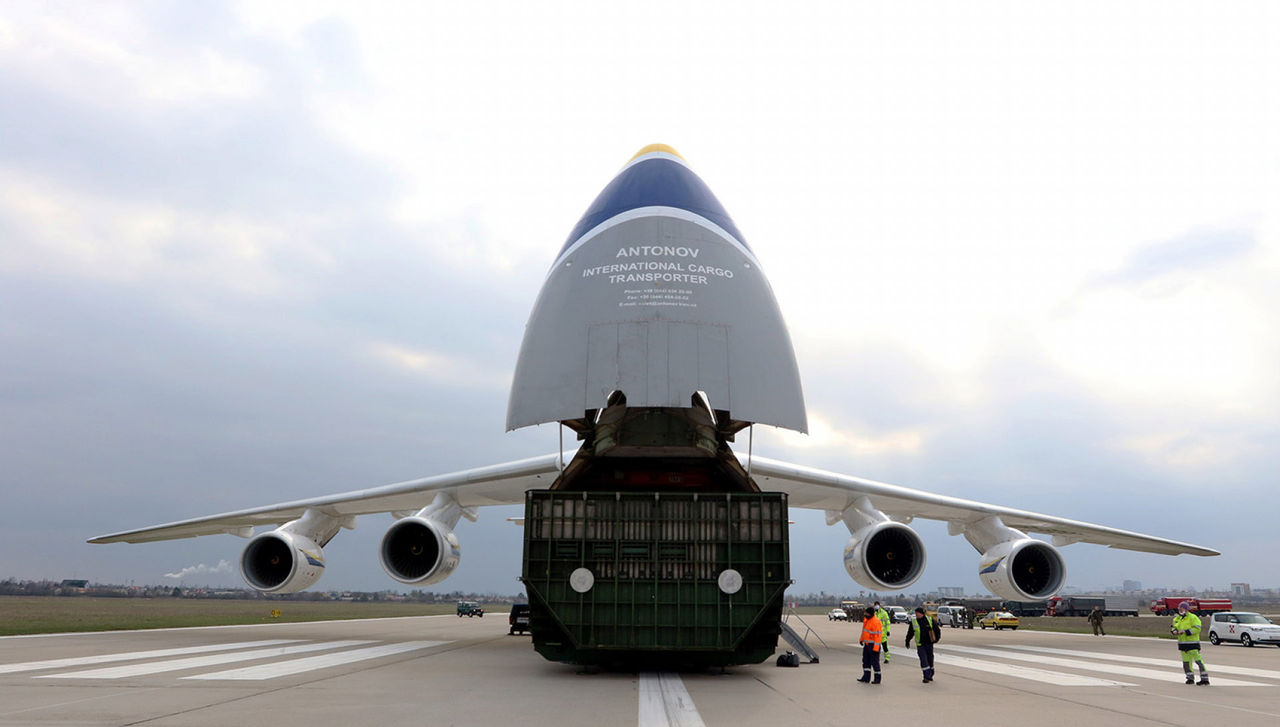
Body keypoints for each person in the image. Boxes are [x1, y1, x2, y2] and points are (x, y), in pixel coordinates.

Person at [1172, 601, 1209, 685]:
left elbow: (1197, 628)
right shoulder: (1177, 619)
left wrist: (1185, 631)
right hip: (1183, 645)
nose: (1179, 610)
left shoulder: (1193, 617)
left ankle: (1204, 679)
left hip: (1192, 644)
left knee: (1198, 661)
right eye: (1179, 608)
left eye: (1181, 608)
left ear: (1186, 609)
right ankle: (1190, 678)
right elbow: (1173, 627)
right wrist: (1174, 631)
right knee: (1186, 663)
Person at [905, 607, 942, 683]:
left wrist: (936, 639)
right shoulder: (914, 622)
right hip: (920, 644)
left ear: (921, 613)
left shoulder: (930, 620)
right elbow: (910, 633)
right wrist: (907, 641)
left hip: (929, 644)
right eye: (915, 613)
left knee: (930, 659)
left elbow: (937, 630)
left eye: (917, 613)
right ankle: (926, 676)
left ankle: (931, 673)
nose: (916, 615)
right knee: (923, 660)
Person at [858, 606, 883, 684]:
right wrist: (861, 640)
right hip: (867, 644)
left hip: (873, 645)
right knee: (865, 661)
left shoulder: (876, 622)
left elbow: (878, 636)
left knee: (875, 662)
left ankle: (877, 679)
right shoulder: (867, 620)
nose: (865, 614)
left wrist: (876, 648)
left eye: (866, 613)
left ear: (870, 614)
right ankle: (866, 677)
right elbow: (865, 632)